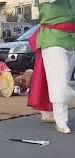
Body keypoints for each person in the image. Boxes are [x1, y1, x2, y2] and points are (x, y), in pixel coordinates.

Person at [28, 0, 75, 134]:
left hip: (71, 39)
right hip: (53, 38)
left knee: (64, 80)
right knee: (59, 82)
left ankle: (56, 114)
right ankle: (61, 121)